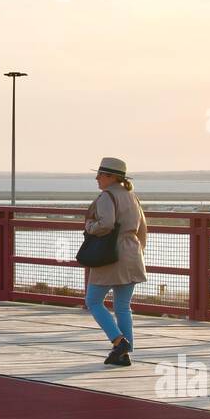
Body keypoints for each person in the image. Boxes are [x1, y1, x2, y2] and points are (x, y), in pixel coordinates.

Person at [83, 156, 148, 366]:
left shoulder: (106, 197)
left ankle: (119, 341)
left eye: (100, 175)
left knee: (93, 301)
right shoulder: (132, 196)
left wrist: (90, 228)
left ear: (111, 177)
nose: (97, 178)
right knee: (122, 306)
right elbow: (143, 229)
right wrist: (138, 252)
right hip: (132, 254)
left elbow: (106, 224)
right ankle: (124, 353)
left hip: (110, 256)